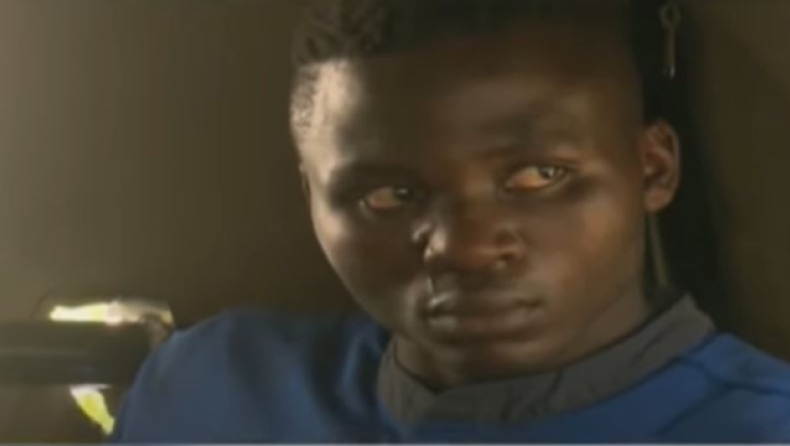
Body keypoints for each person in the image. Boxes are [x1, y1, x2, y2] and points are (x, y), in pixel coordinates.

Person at [110, 0, 790, 442]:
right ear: (312, 198)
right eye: (389, 197)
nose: (464, 247)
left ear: (652, 170)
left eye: (538, 177)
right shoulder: (213, 389)